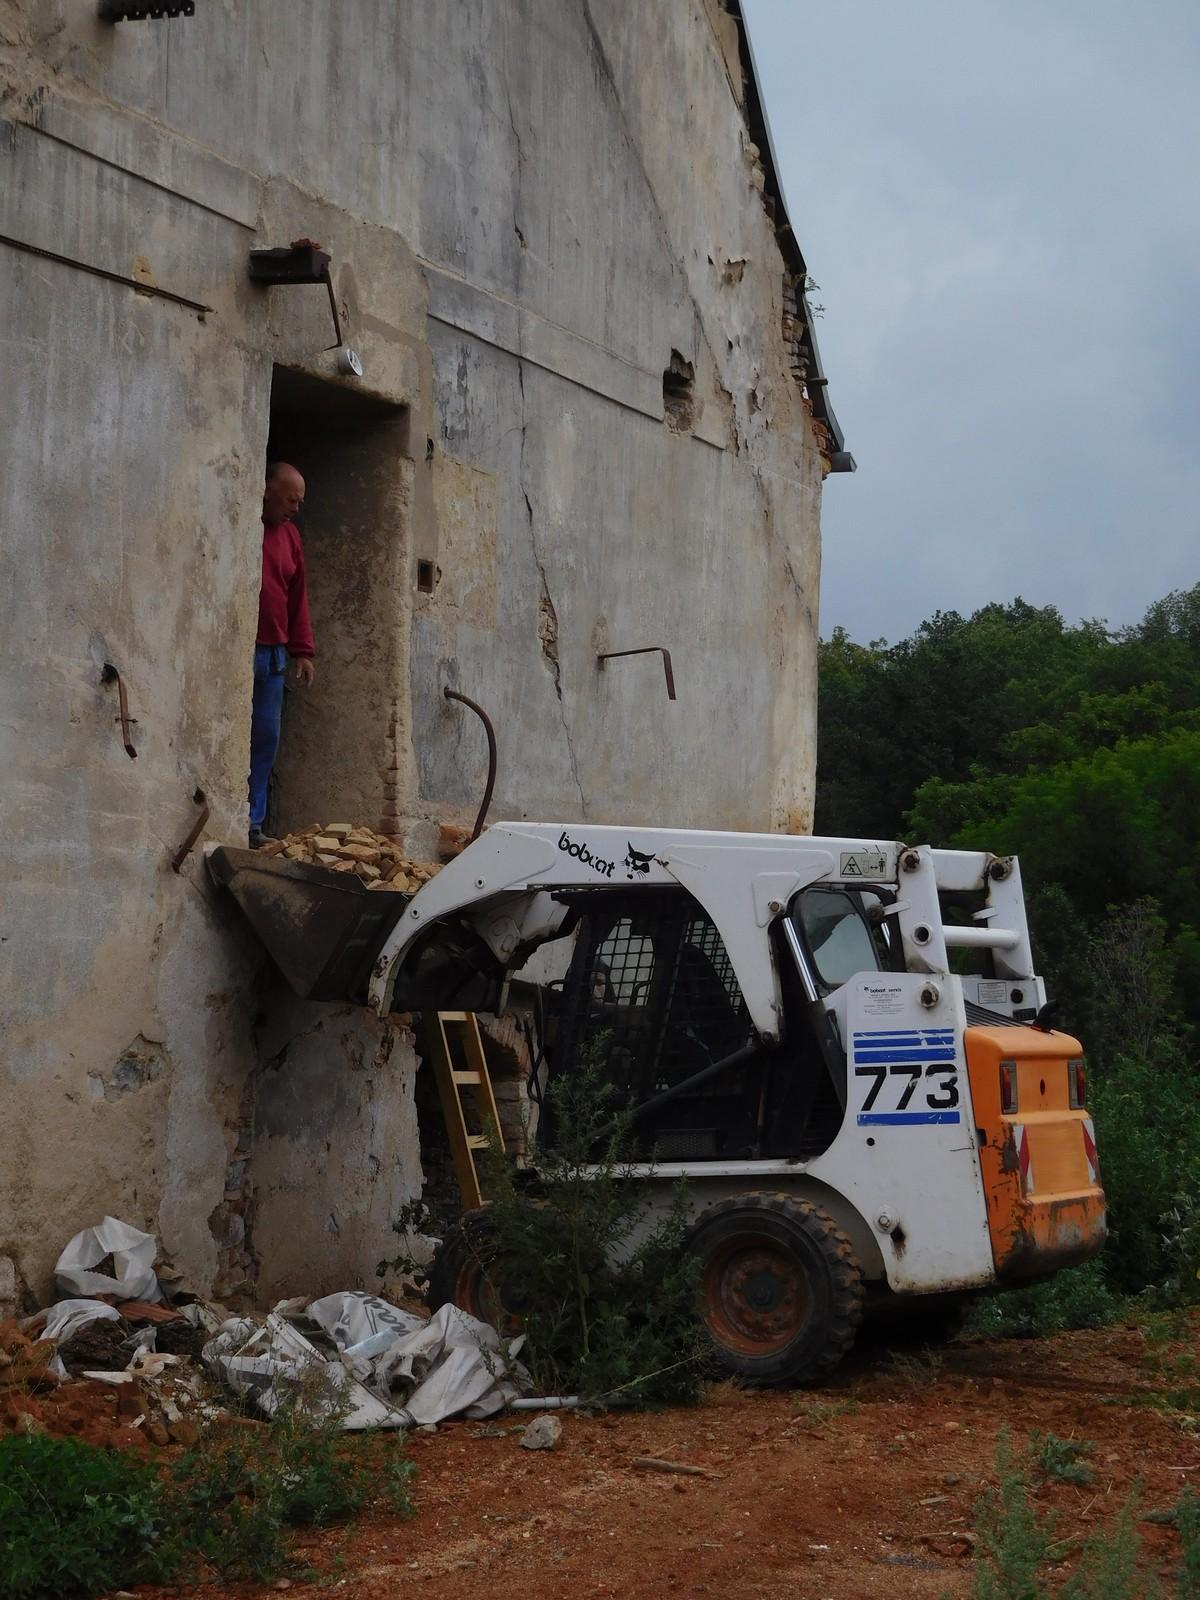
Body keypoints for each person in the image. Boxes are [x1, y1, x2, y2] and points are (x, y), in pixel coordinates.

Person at [248, 462, 315, 847]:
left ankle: (253, 822)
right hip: (244, 647)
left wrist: (303, 651)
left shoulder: (290, 537)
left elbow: (297, 597)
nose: (295, 508)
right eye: (291, 500)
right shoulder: (246, 525)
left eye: (300, 502)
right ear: (267, 490)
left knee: (266, 736)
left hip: (273, 655)